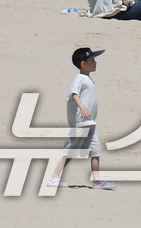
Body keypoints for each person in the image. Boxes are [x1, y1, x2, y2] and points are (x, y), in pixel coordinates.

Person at [46, 48, 115, 191]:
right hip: (81, 122)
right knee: (71, 150)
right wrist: (83, 108)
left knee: (96, 151)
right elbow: (73, 94)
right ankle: (54, 178)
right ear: (83, 64)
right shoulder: (79, 79)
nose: (95, 63)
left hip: (90, 123)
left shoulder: (88, 79)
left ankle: (97, 181)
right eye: (92, 60)